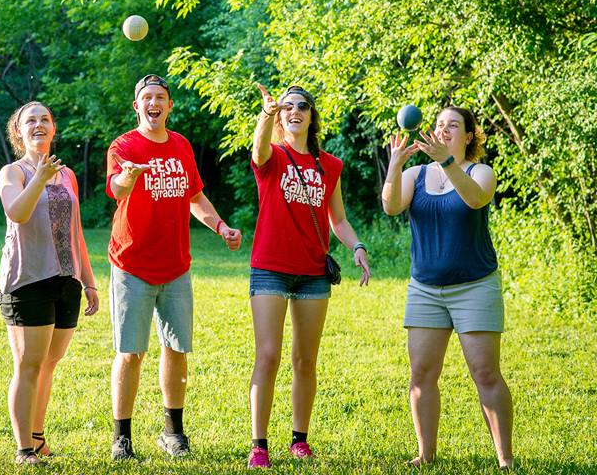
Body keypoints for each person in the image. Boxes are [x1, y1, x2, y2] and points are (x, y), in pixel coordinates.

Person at [107, 74, 241, 461]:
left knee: (176, 348)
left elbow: (194, 196)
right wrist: (127, 178)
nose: (153, 103)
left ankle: (172, 431)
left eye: (160, 97)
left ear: (169, 105)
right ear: (137, 106)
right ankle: (122, 438)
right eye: (146, 97)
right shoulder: (124, 146)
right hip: (131, 264)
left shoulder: (181, 145)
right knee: (131, 352)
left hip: (176, 266)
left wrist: (220, 226)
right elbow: (116, 187)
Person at [246, 84, 371, 468]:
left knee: (305, 360)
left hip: (313, 273)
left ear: (311, 116)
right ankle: (259, 444)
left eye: (302, 106)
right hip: (269, 268)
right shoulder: (274, 157)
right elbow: (258, 149)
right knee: (268, 356)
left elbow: (339, 219)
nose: (294, 111)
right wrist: (265, 115)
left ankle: (299, 439)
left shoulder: (329, 165)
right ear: (281, 116)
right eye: (287, 107)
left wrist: (357, 247)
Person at [382, 106, 514, 469]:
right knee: (422, 373)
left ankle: (505, 459)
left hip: (475, 287)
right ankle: (425, 455)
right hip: (425, 289)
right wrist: (395, 163)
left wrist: (448, 164)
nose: (444, 130)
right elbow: (391, 206)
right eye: (439, 125)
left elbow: (474, 198)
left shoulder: (479, 172)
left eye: (453, 126)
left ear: (468, 136)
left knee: (485, 372)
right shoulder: (416, 174)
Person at [0, 101, 100, 466]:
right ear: (19, 132)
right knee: (28, 365)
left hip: (65, 281)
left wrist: (88, 281)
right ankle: (24, 448)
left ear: (53, 129)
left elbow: (76, 232)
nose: (38, 124)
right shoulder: (14, 172)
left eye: (45, 119)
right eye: (30, 121)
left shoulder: (67, 174)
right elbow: (16, 212)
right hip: (27, 281)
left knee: (48, 364)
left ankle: (38, 438)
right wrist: (39, 176)